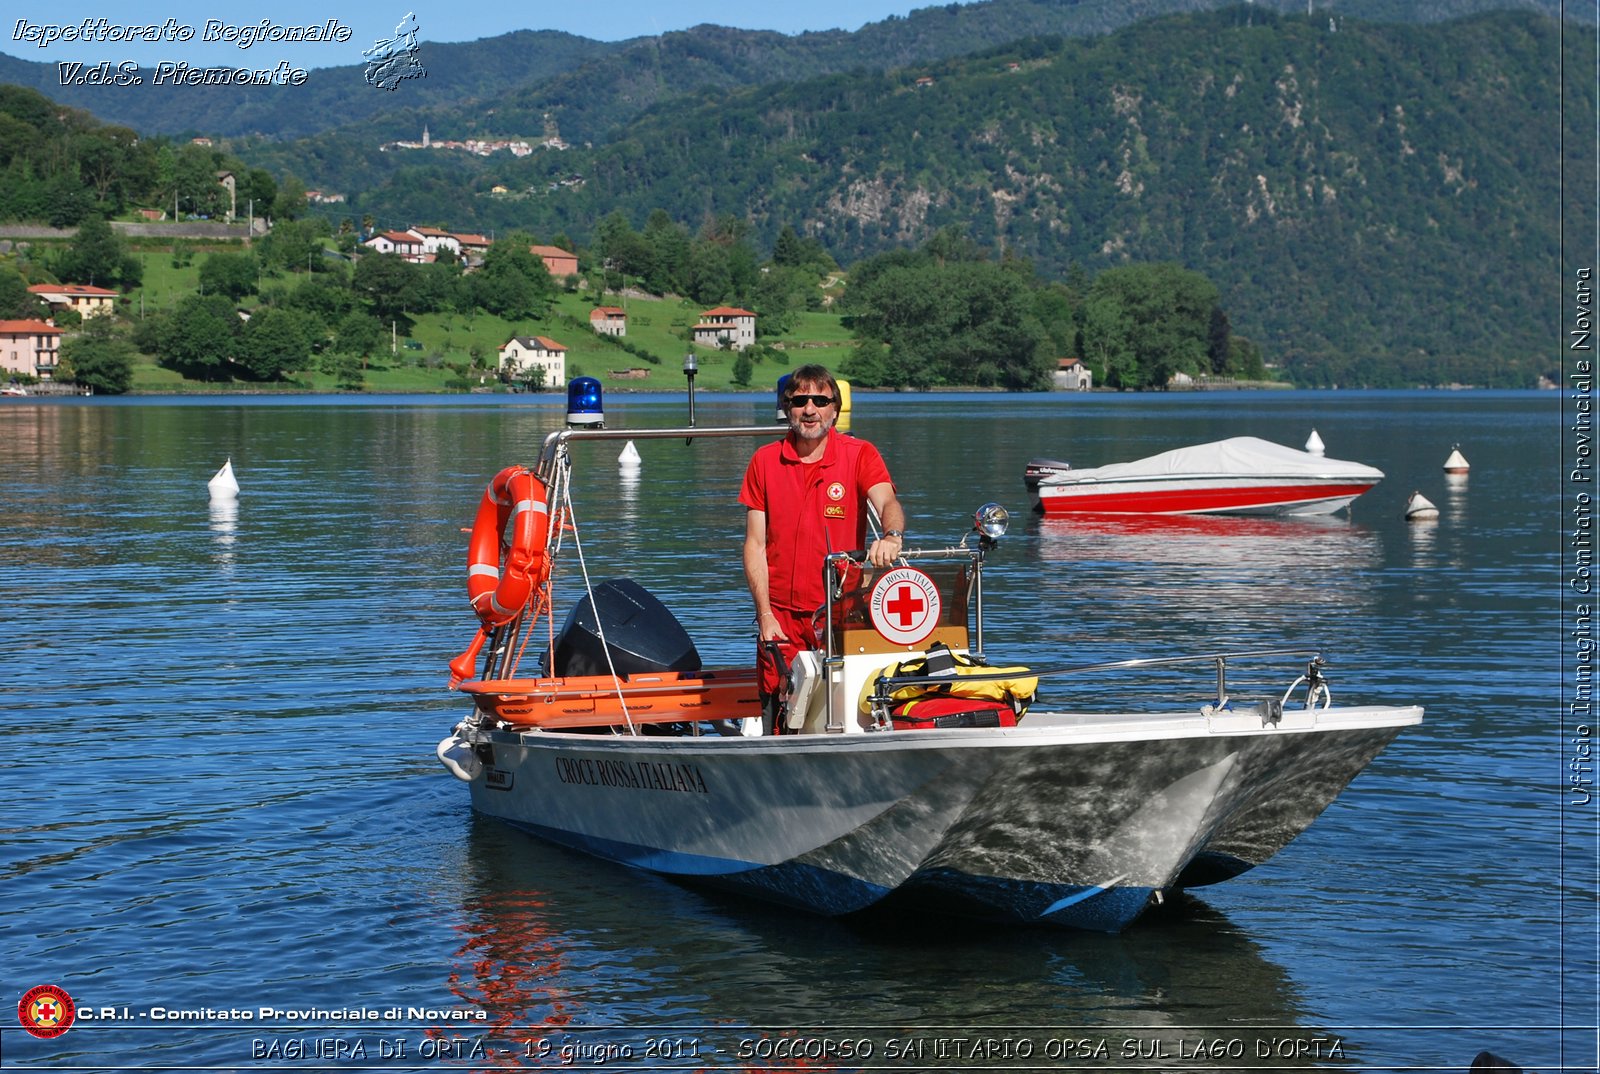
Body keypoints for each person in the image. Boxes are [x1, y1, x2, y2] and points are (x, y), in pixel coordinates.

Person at [739, 365, 905, 728]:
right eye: (800, 401)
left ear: (835, 408)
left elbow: (888, 503)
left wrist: (891, 536)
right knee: (780, 713)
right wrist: (765, 615)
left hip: (840, 616)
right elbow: (754, 545)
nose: (809, 409)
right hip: (780, 619)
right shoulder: (764, 461)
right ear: (787, 407)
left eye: (819, 400)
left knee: (845, 711)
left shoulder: (860, 455)